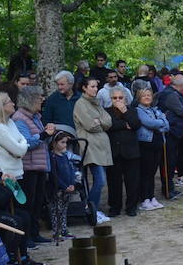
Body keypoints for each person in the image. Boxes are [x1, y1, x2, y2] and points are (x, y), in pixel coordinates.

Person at [72, 78, 113, 223]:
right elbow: (90, 125)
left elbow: (109, 121)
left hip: (101, 147)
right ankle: (91, 209)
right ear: (84, 88)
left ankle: (93, 209)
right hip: (90, 147)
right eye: (93, 86)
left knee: (100, 180)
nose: (96, 89)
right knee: (100, 180)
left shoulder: (96, 103)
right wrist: (100, 122)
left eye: (97, 86)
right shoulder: (80, 104)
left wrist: (99, 121)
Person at [104, 86, 142, 216]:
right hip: (113, 151)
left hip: (131, 151)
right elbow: (108, 126)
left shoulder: (132, 110)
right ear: (110, 99)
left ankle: (131, 207)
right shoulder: (106, 111)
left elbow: (136, 125)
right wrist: (124, 125)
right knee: (114, 183)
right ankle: (115, 207)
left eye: (120, 97)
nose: (118, 100)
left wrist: (125, 111)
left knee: (132, 181)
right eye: (115, 98)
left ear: (125, 98)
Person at [132, 87, 169, 210]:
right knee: (146, 172)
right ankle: (144, 198)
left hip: (158, 143)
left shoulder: (156, 110)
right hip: (146, 144)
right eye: (144, 96)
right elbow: (149, 123)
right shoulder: (138, 110)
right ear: (139, 98)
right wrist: (160, 122)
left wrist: (159, 122)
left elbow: (167, 125)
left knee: (153, 172)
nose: (147, 97)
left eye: (149, 95)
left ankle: (152, 196)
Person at [155, 76, 183, 199]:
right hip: (169, 133)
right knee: (168, 162)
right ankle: (168, 190)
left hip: (173, 132)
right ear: (179, 85)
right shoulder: (170, 95)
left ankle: (170, 188)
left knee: (171, 161)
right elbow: (182, 111)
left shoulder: (172, 93)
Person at [47, 132, 77, 238]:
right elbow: (54, 175)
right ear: (54, 143)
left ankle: (64, 229)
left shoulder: (65, 156)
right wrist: (64, 186)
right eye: (62, 142)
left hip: (67, 189)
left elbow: (71, 171)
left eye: (66, 142)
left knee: (64, 210)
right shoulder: (52, 157)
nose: (65, 145)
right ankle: (57, 231)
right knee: (56, 211)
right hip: (58, 189)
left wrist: (72, 184)